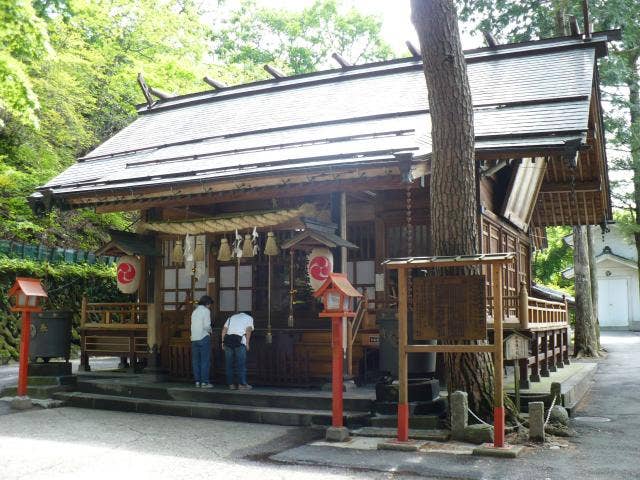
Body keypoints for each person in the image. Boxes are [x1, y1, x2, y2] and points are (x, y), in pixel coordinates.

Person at [221, 311, 254, 390]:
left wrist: (222, 342)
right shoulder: (249, 318)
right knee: (241, 364)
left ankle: (231, 385)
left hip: (228, 342)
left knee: (229, 364)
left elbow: (224, 329)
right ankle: (241, 384)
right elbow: (248, 330)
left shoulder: (231, 318)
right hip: (240, 342)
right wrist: (247, 343)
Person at [191, 295, 213, 388]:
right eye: (210, 304)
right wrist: (211, 331)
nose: (210, 306)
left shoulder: (194, 311)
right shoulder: (206, 311)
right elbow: (207, 326)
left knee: (196, 361)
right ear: (207, 303)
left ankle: (197, 382)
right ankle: (204, 382)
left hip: (194, 338)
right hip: (203, 337)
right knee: (205, 361)